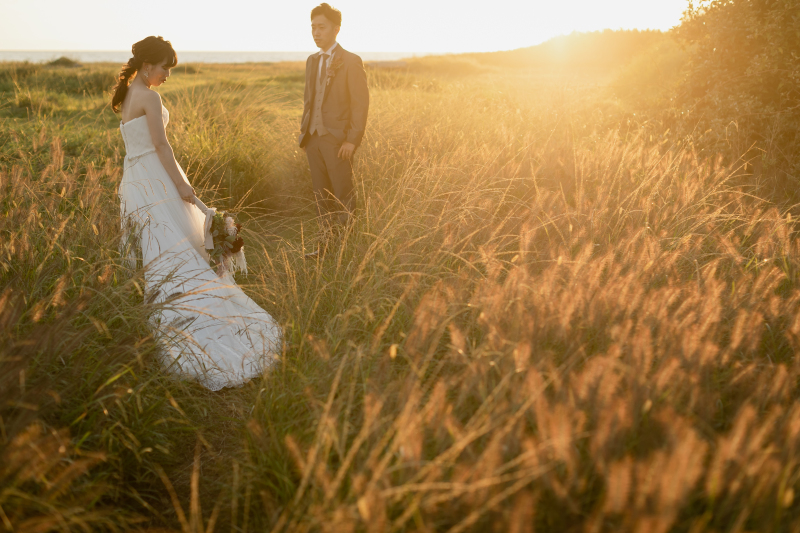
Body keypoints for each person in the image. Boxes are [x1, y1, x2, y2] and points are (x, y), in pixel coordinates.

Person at [113, 36, 281, 391]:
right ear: (147, 65)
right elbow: (161, 145)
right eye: (165, 67)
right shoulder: (150, 97)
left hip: (136, 182)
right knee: (180, 249)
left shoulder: (128, 94)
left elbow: (138, 148)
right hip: (157, 180)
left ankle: (169, 316)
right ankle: (198, 320)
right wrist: (182, 187)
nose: (167, 75)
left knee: (161, 252)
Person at [299, 3, 369, 249]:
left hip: (338, 140)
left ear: (336, 29)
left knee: (343, 194)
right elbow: (309, 100)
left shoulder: (350, 61)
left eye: (322, 27)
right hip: (313, 139)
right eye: (313, 28)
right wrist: (304, 133)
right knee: (321, 197)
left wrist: (352, 139)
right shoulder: (311, 60)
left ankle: (347, 248)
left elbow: (360, 104)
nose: (316, 32)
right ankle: (325, 245)